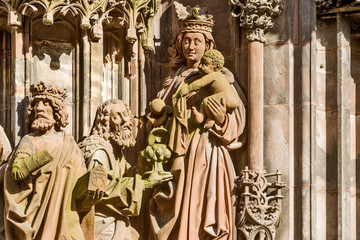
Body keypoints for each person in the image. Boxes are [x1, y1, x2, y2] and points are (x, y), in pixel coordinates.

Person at [147, 2, 246, 240]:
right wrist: (160, 116)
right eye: (187, 41)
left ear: (207, 45)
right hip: (175, 149)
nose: (191, 47)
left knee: (204, 204)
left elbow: (237, 115)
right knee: (177, 202)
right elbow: (162, 116)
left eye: (197, 41)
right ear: (179, 44)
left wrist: (220, 119)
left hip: (206, 149)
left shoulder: (220, 78)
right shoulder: (173, 79)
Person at [2, 81, 94, 240]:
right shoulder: (29, 140)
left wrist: (93, 192)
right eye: (36, 105)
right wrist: (44, 157)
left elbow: (80, 185)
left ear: (56, 110)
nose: (39, 108)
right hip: (35, 216)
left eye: (45, 104)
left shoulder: (70, 145)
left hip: (66, 218)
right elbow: (16, 171)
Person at [79, 99, 172, 240]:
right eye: (117, 116)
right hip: (99, 222)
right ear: (105, 122)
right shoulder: (98, 149)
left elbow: (126, 175)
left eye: (126, 115)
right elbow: (102, 188)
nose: (126, 121)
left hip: (114, 220)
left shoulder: (115, 150)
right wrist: (146, 183)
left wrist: (145, 164)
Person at [176, 49, 241, 128]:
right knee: (207, 102)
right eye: (201, 63)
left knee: (207, 101)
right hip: (231, 99)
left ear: (216, 67)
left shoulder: (214, 75)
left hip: (228, 98)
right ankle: (203, 117)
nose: (200, 66)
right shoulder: (221, 77)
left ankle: (209, 119)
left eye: (205, 64)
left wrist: (188, 88)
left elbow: (199, 83)